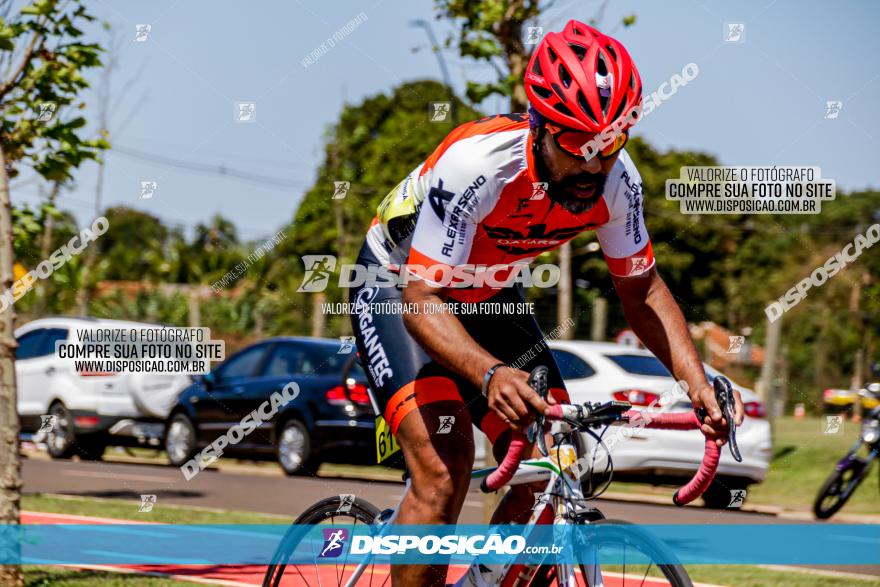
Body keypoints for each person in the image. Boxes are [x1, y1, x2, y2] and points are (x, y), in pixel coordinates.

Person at [348, 19, 744, 586]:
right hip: (398, 288)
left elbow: (643, 290)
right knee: (444, 471)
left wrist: (696, 381)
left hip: (489, 295)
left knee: (555, 463)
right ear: (539, 125)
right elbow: (421, 296)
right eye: (577, 145)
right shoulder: (476, 165)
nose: (592, 164)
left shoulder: (616, 184)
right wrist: (488, 374)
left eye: (608, 144)